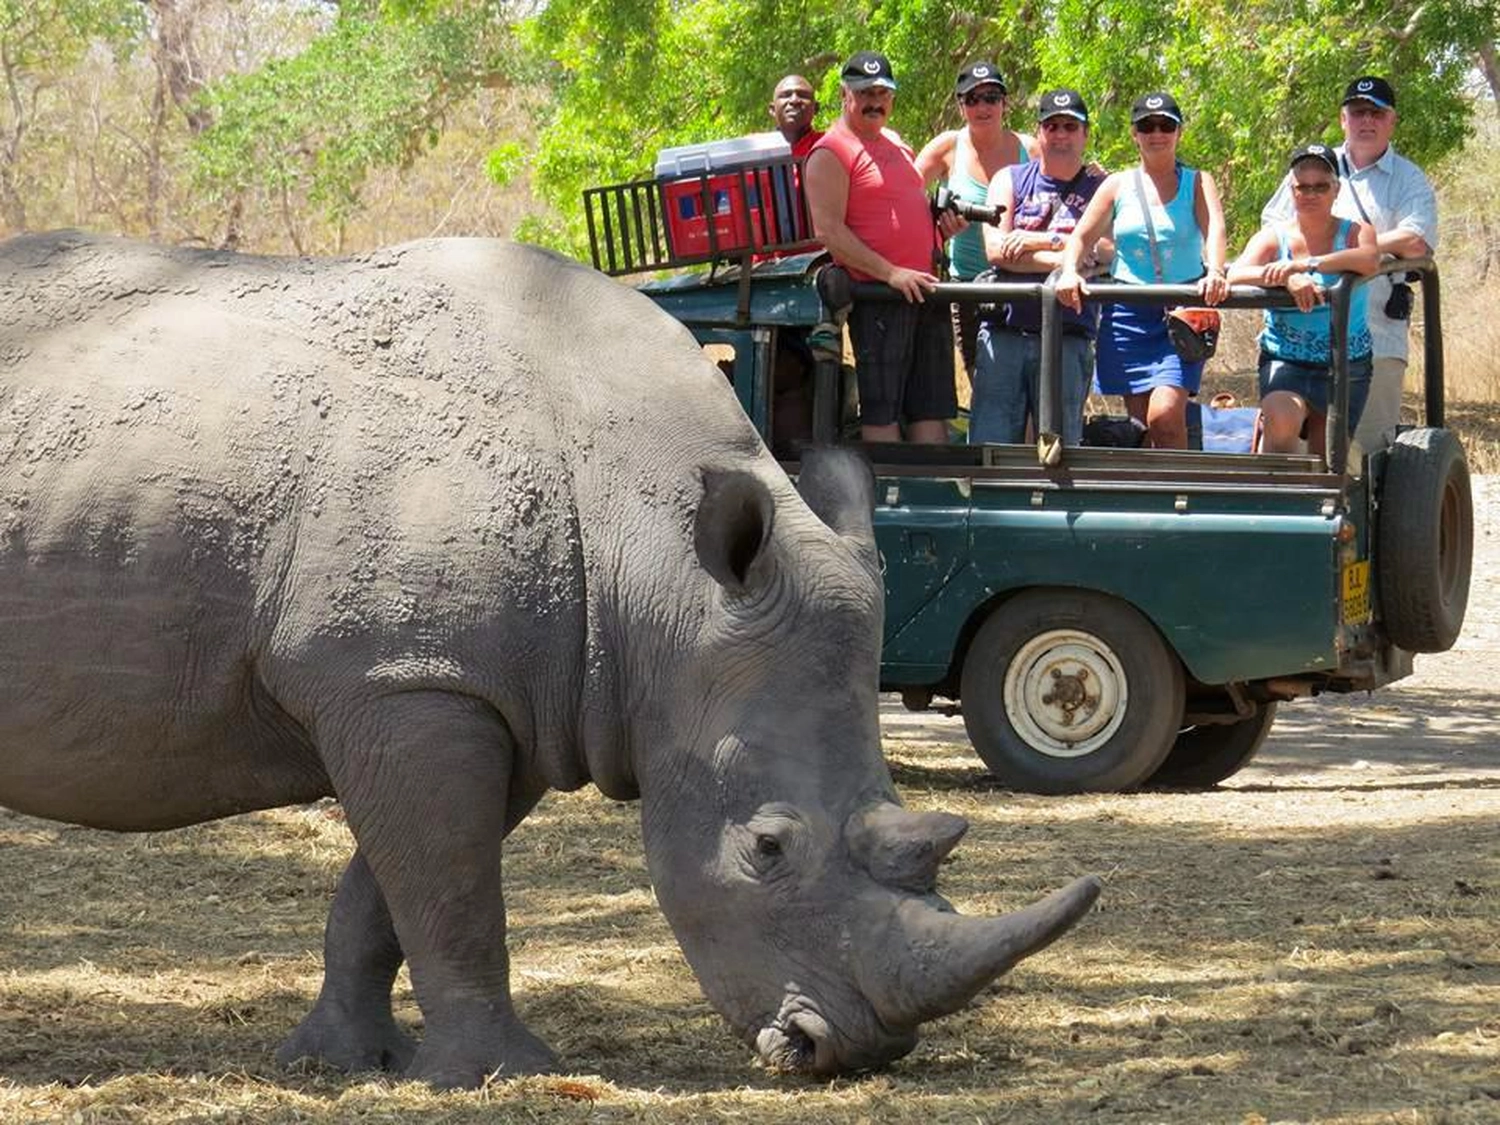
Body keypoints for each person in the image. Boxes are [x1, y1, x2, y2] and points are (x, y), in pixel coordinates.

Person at [1260, 76, 1438, 453]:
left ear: (1392, 120)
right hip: (1296, 338)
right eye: (1358, 112)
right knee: (1286, 446)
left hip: (1375, 336)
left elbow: (1415, 240)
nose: (1366, 121)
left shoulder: (1409, 179)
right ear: (1343, 119)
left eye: (1377, 112)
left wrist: (1358, 251)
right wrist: (1296, 273)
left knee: (1360, 453)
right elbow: (1271, 230)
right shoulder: (1311, 167)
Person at [804, 50, 967, 443]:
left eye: (882, 92)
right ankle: (889, 502)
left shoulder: (896, 143)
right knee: (882, 414)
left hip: (924, 290)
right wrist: (890, 274)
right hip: (878, 297)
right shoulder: (830, 152)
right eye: (864, 92)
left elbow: (902, 217)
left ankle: (933, 502)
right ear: (845, 94)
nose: (874, 101)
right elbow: (829, 232)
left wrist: (944, 231)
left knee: (931, 410)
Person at [1055, 92, 1230, 449]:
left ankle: (1182, 497)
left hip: (1182, 313)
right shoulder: (1117, 185)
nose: (1156, 133)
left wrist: (1215, 271)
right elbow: (1080, 238)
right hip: (1126, 313)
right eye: (1146, 126)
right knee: (1142, 428)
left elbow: (1215, 230)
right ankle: (1153, 499)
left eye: (1166, 125)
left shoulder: (1198, 181)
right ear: (1135, 133)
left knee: (1164, 415)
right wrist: (1070, 271)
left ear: (1179, 131)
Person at [970, 88, 1109, 446]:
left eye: (1069, 126)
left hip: (1069, 335)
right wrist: (1070, 255)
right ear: (1039, 131)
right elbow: (997, 249)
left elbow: (1107, 251)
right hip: (1005, 332)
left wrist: (1032, 240)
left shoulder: (1104, 187)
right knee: (991, 447)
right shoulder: (1009, 178)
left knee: (1060, 451)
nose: (1060, 135)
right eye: (1052, 126)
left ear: (1085, 133)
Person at [1229, 144, 1379, 456]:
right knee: (1282, 424)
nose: (1310, 194)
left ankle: (1322, 500)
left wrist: (1306, 265)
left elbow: (1369, 260)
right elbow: (1235, 274)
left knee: (1329, 455)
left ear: (1335, 190)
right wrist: (1284, 277)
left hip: (1345, 364)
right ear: (1291, 190)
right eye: (1302, 187)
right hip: (1287, 359)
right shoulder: (1275, 236)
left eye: (1320, 187)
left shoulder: (1355, 232)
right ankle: (1269, 497)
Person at [914, 62, 1040, 378]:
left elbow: (1061, 197)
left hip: (1022, 282)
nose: (983, 106)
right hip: (966, 285)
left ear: (1005, 103)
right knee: (982, 380)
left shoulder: (1030, 149)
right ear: (960, 106)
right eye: (973, 99)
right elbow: (905, 202)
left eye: (991, 97)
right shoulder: (947, 146)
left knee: (1029, 381)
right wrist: (938, 228)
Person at [768, 74, 824, 157]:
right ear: (773, 109)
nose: (794, 100)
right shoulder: (755, 152)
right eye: (785, 95)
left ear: (816, 108)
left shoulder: (830, 146)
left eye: (803, 95)